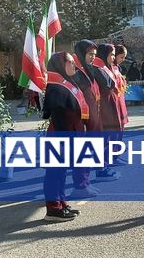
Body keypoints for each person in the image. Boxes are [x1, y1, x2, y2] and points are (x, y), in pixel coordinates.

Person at [42, 52, 86, 221]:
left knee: (61, 172)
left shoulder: (66, 83)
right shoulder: (55, 87)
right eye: (70, 62)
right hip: (60, 134)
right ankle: (53, 209)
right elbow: (54, 114)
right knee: (54, 172)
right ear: (60, 64)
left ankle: (62, 203)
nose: (74, 65)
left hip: (69, 132)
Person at [70, 40, 102, 198]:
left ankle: (85, 184)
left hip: (90, 120)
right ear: (81, 54)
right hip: (81, 121)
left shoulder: (86, 70)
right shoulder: (75, 72)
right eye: (90, 54)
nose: (92, 58)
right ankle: (80, 186)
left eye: (94, 55)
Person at [92, 44, 121, 181]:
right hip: (103, 107)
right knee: (102, 139)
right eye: (111, 55)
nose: (113, 58)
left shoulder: (104, 67)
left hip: (109, 105)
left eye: (114, 55)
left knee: (108, 138)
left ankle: (104, 166)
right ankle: (100, 169)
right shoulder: (97, 69)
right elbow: (106, 85)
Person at [114, 45, 129, 128]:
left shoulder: (117, 67)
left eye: (124, 57)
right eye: (121, 57)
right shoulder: (110, 68)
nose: (123, 60)